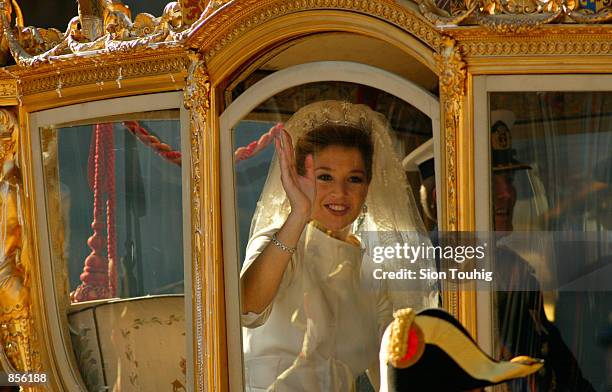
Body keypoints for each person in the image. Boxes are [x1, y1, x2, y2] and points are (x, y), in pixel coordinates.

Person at [238, 101, 437, 392]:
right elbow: (247, 307)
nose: (340, 193)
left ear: (368, 186)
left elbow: (391, 373)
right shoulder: (279, 242)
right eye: (325, 177)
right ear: (298, 179)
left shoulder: (372, 273)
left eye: (354, 179)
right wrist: (298, 215)